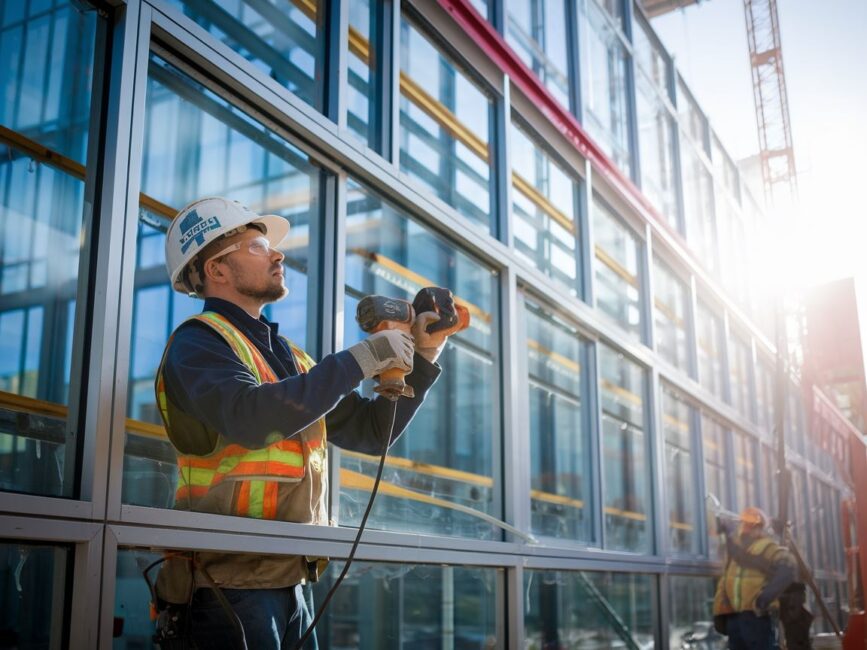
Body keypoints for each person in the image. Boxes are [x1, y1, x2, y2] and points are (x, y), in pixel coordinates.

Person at [152, 197, 449, 649]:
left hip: (287, 579)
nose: (277, 254)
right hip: (222, 583)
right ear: (217, 270)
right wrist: (362, 358)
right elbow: (250, 418)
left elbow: (371, 432)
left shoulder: (290, 357)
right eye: (258, 247)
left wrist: (424, 357)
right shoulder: (197, 344)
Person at [712, 506, 798, 650]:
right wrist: (720, 613)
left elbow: (788, 568)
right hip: (735, 617)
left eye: (753, 525)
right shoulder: (734, 553)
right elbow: (724, 583)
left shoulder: (768, 547)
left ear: (761, 528)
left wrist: (763, 600)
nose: (747, 528)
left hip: (757, 617)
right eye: (745, 523)